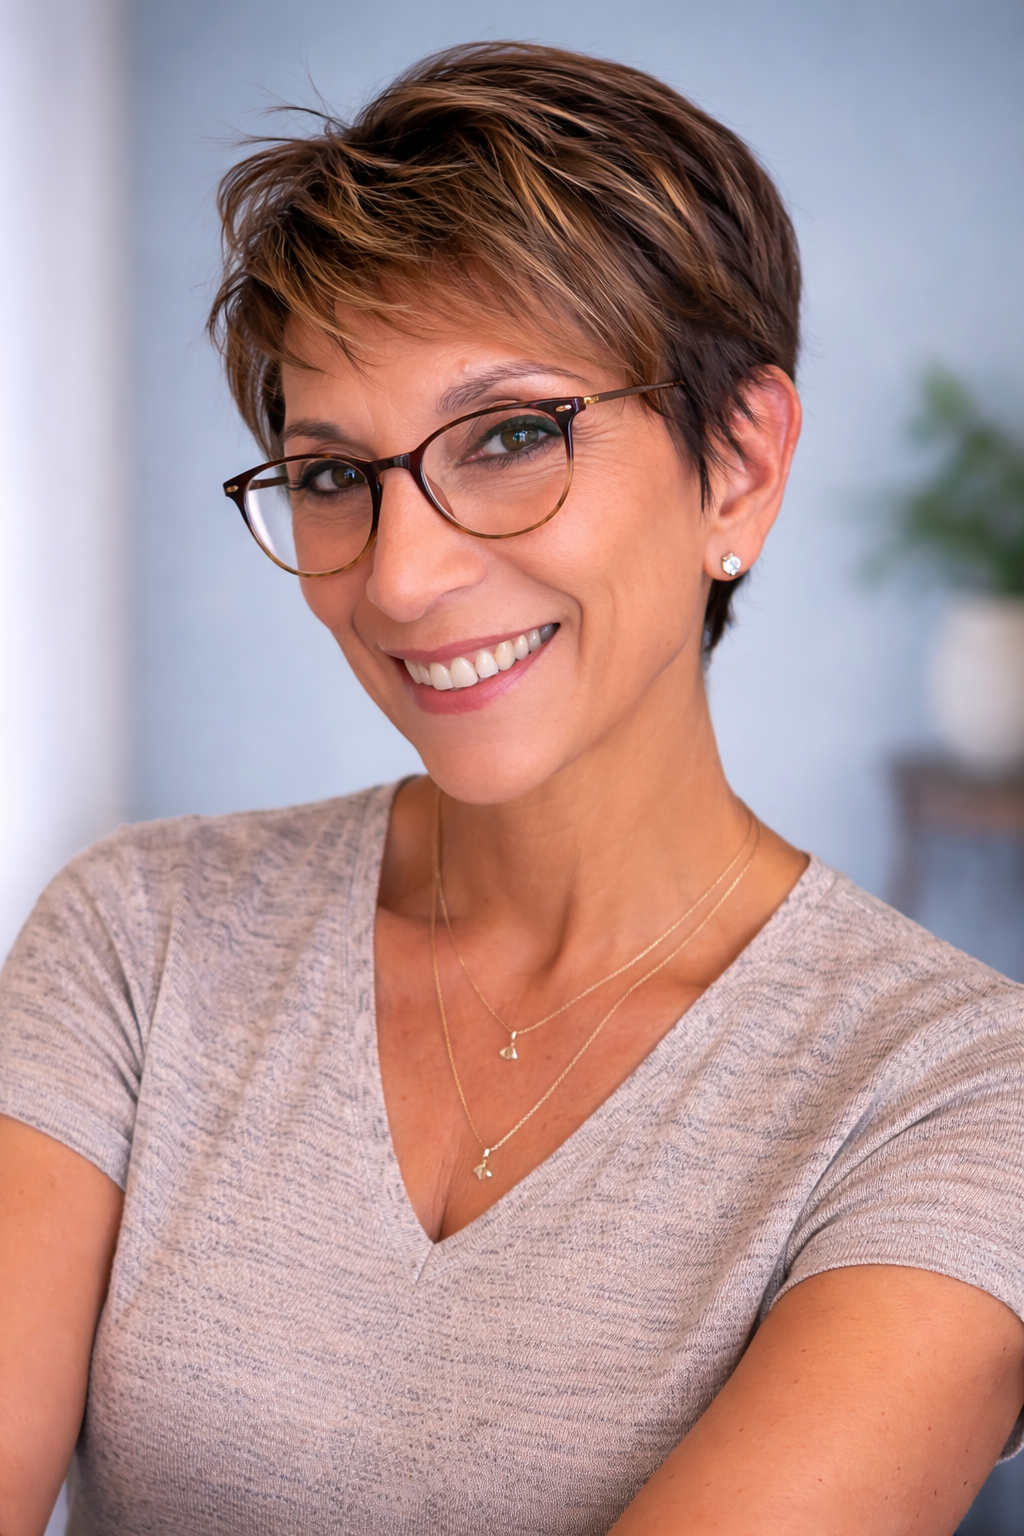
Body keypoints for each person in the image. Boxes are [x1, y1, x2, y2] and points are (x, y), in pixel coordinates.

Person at [1, 41, 1022, 1536]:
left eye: (512, 436)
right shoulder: (138, 939)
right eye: (334, 473)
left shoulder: (951, 1098)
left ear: (737, 464)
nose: (402, 577)